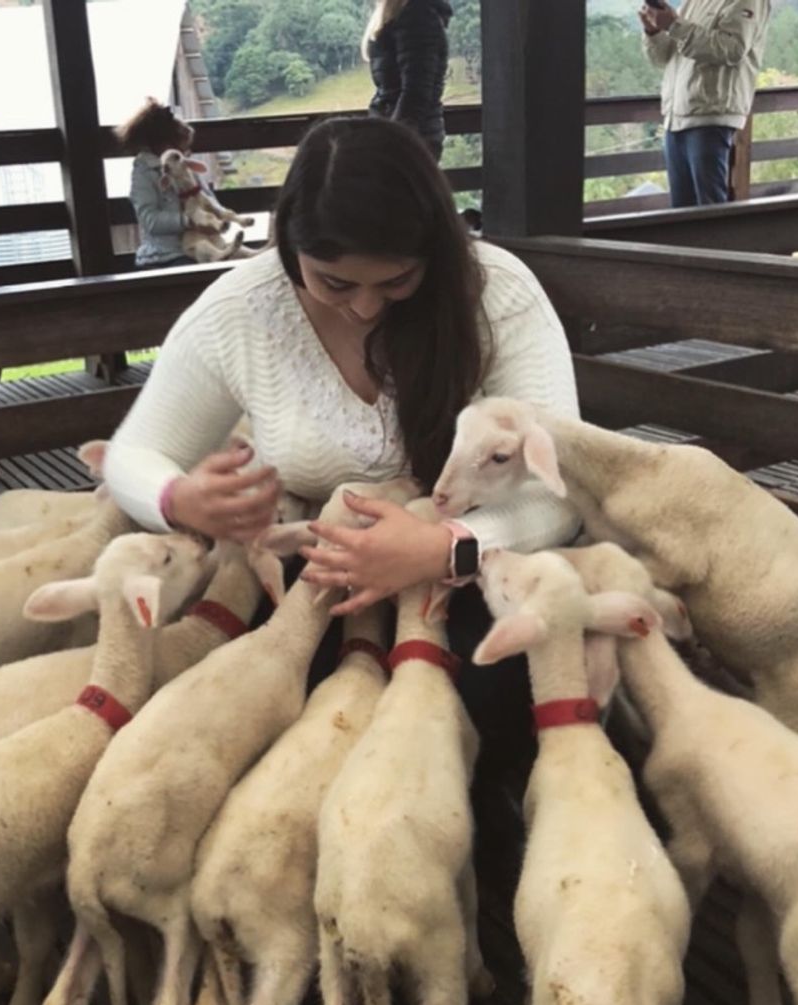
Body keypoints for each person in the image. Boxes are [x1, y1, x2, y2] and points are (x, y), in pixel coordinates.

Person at [104, 115, 580, 754]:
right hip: (314, 579)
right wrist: (177, 499)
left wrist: (445, 548)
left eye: (396, 281)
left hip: (477, 570)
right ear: (289, 247)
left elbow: (560, 487)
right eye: (334, 283)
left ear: (432, 253)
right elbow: (135, 451)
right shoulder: (242, 310)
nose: (364, 307)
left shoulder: (497, 296)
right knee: (245, 716)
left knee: (490, 693)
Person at [640, 0, 771, 208]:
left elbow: (731, 49)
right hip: (676, 117)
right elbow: (663, 58)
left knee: (710, 212)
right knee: (681, 216)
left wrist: (674, 25)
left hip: (711, 116)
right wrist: (653, 32)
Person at [114, 97, 212, 269]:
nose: (185, 154)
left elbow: (205, 197)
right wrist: (187, 221)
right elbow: (150, 220)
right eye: (181, 149)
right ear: (164, 145)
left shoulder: (184, 165)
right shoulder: (144, 174)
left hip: (197, 245)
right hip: (163, 256)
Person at [363, 0, 452, 161]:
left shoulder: (417, 15)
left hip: (409, 143)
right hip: (400, 136)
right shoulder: (402, 13)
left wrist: (392, 144)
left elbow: (416, 93)